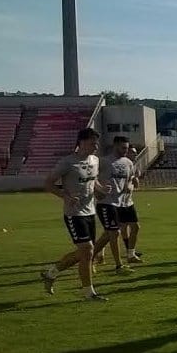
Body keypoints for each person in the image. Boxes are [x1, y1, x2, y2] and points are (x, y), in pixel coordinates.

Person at [39, 128, 108, 300]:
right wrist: (65, 196)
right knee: (88, 249)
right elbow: (48, 184)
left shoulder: (95, 160)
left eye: (97, 142)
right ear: (82, 142)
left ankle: (51, 273)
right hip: (74, 214)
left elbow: (93, 182)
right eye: (93, 142)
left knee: (86, 253)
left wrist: (102, 189)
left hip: (90, 212)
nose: (96, 146)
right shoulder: (67, 162)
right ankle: (89, 293)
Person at [91, 137, 134, 275]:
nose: (125, 151)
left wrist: (128, 184)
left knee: (107, 236)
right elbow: (91, 178)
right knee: (114, 233)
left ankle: (89, 258)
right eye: (123, 148)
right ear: (115, 146)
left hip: (120, 204)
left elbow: (130, 178)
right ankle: (118, 266)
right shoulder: (103, 161)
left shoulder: (128, 163)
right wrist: (98, 190)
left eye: (126, 148)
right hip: (106, 203)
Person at [117, 144, 143, 263]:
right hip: (118, 203)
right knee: (114, 231)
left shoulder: (134, 167)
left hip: (128, 202)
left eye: (135, 152)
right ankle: (97, 253)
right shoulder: (120, 165)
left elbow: (136, 185)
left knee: (135, 226)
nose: (134, 154)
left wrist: (135, 179)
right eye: (132, 152)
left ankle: (130, 253)